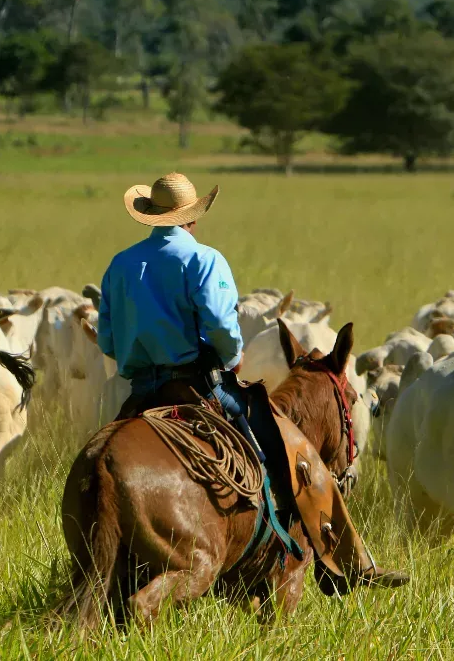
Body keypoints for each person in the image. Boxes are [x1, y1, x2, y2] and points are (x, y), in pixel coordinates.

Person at [96, 172, 408, 592]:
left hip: (141, 393)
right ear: (193, 218)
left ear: (151, 216)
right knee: (294, 449)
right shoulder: (204, 260)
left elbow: (109, 341)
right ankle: (347, 563)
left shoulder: (120, 265)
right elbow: (224, 331)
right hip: (200, 387)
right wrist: (231, 357)